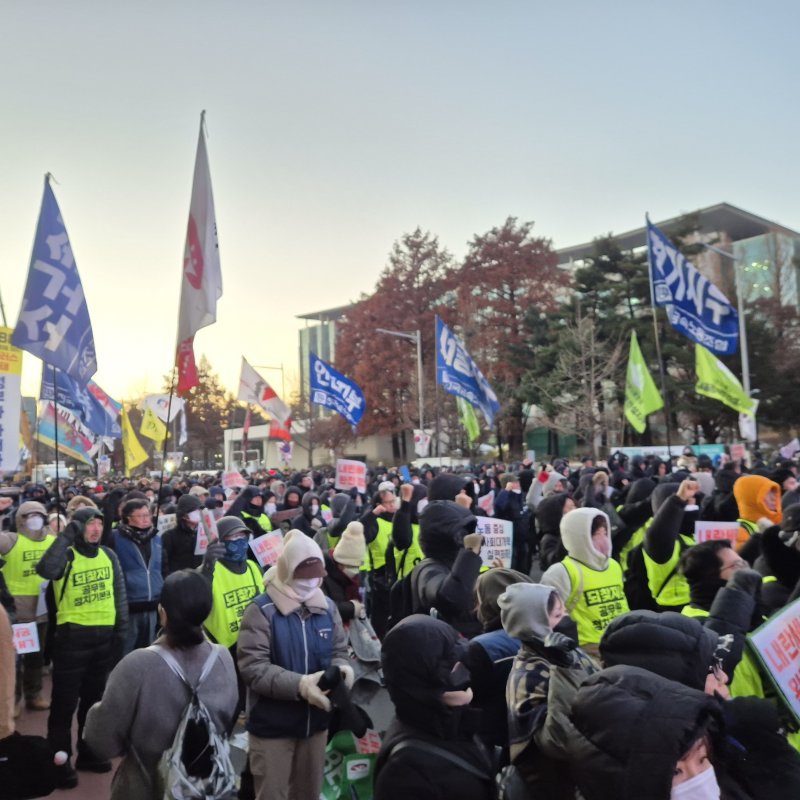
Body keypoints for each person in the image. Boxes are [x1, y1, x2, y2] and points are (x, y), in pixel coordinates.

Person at [82, 569, 237, 800]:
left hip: (145, 787)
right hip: (206, 787)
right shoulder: (223, 658)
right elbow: (228, 720)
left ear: (162, 613)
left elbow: (102, 744)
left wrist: (96, 712)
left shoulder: (136, 666)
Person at [237, 529, 351, 800]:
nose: (310, 585)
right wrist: (301, 685)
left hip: (316, 724)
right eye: (303, 578)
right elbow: (254, 667)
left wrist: (342, 673)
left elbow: (339, 650)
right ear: (287, 571)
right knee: (272, 793)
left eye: (316, 578)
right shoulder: (262, 611)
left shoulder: (328, 608)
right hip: (272, 726)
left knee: (308, 792)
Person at [36, 507, 129, 788]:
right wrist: (65, 537)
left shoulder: (108, 555)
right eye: (90, 524)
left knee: (93, 703)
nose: (96, 529)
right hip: (71, 640)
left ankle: (88, 752)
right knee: (64, 705)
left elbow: (118, 594)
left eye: (100, 523)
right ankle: (59, 760)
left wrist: (121, 631)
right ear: (79, 527)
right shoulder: (66, 555)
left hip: (103, 641)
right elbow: (46, 569)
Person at [374, 615, 495, 800]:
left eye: (461, 662)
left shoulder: (451, 722)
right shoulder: (404, 772)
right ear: (415, 681)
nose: (462, 674)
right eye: (447, 668)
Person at [499, 582, 597, 797]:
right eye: (558, 614)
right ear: (536, 624)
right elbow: (558, 740)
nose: (568, 618)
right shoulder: (527, 676)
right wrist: (565, 670)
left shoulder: (569, 652)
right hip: (560, 785)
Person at [540, 508, 628, 654]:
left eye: (605, 533)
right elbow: (545, 618)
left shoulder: (613, 565)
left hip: (621, 643)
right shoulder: (561, 572)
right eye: (595, 534)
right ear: (578, 537)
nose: (603, 540)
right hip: (587, 651)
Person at [0, 500, 55, 713]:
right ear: (20, 519)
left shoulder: (51, 541)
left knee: (35, 657)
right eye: (30, 515)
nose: (35, 519)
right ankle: (12, 700)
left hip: (42, 611)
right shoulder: (10, 541)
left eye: (39, 515)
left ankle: (34, 694)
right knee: (13, 660)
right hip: (16, 613)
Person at [412, 499, 484, 638]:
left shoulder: (455, 564)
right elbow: (452, 599)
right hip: (442, 651)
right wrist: (469, 554)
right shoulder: (428, 569)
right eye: (463, 533)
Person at [110, 498, 162, 654]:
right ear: (127, 518)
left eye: (147, 515)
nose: (145, 519)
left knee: (150, 650)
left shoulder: (156, 538)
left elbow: (162, 568)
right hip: (129, 605)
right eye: (140, 516)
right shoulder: (115, 538)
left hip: (153, 603)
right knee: (127, 651)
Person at [321, 520, 367, 624]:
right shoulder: (322, 573)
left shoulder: (354, 578)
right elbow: (323, 606)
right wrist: (352, 609)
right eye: (350, 566)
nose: (354, 571)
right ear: (339, 563)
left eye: (356, 567)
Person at [161, 493, 204, 576]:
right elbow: (164, 564)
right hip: (179, 581)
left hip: (200, 579)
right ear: (184, 515)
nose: (198, 512)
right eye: (194, 510)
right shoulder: (169, 536)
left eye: (200, 509)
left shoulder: (203, 533)